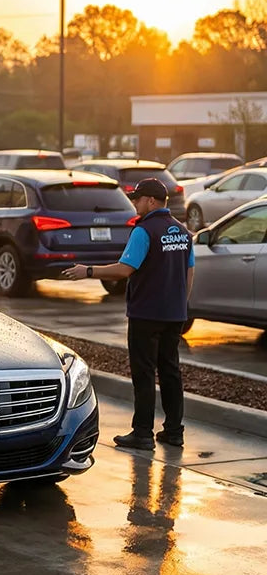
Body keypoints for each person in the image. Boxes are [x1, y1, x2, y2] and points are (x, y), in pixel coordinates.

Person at [62, 177, 194, 451]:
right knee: (171, 371)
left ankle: (143, 433)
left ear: (152, 201)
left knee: (144, 373)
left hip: (146, 313)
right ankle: (174, 431)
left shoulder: (144, 231)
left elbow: (124, 269)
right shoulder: (182, 231)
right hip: (174, 313)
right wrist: (181, 302)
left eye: (138, 198)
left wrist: (87, 271)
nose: (134, 203)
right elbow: (189, 271)